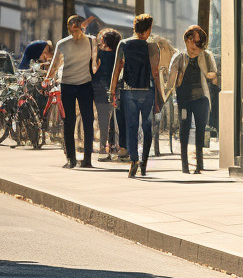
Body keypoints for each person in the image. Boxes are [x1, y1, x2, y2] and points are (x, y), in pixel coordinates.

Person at [110, 14, 162, 178]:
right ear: (148, 29)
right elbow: (155, 73)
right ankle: (144, 162)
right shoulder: (152, 47)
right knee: (147, 127)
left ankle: (133, 160)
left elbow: (117, 69)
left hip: (129, 91)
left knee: (131, 127)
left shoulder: (123, 44)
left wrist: (112, 91)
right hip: (147, 91)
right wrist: (160, 95)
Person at [45, 15, 98, 169]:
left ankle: (76, 159)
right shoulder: (87, 41)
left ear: (79, 25)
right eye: (71, 26)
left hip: (75, 85)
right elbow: (93, 64)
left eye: (74, 26)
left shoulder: (88, 41)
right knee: (79, 121)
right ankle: (78, 158)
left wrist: (47, 79)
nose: (72, 29)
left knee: (77, 122)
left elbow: (54, 67)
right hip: (75, 85)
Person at [166, 25, 218, 175]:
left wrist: (213, 76)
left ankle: (199, 165)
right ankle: (184, 165)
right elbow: (170, 81)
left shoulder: (206, 56)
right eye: (195, 42)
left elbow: (216, 75)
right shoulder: (179, 57)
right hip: (184, 100)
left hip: (201, 99)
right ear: (187, 40)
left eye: (200, 43)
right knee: (184, 129)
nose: (198, 46)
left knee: (201, 130)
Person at [92, 29, 121, 162]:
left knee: (103, 121)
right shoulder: (119, 55)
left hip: (99, 89)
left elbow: (93, 70)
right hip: (116, 90)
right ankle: (115, 148)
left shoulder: (99, 54)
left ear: (104, 41)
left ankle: (103, 150)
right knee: (115, 120)